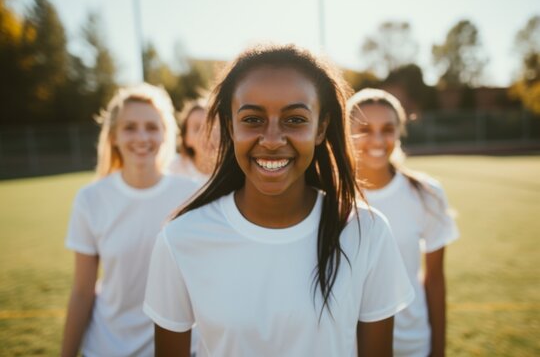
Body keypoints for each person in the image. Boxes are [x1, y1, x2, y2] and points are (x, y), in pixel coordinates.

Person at [143, 44, 414, 357]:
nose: (272, 140)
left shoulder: (368, 232)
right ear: (231, 126)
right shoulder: (180, 239)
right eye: (253, 119)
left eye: (295, 119)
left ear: (321, 127)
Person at [61, 83, 199, 357]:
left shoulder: (191, 194)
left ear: (164, 134)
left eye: (151, 127)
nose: (142, 137)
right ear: (113, 136)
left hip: (179, 348)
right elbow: (82, 290)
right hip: (107, 346)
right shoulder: (91, 199)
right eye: (130, 127)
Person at [347, 88, 459, 357]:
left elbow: (434, 280)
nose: (376, 139)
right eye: (364, 129)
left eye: (387, 128)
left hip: (412, 343)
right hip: (346, 345)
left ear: (399, 131)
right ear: (345, 133)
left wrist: (438, 350)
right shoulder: (328, 195)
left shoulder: (426, 193)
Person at [168, 99, 218, 183]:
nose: (207, 134)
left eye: (212, 126)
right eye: (197, 128)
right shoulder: (173, 169)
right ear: (186, 139)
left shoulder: (234, 171)